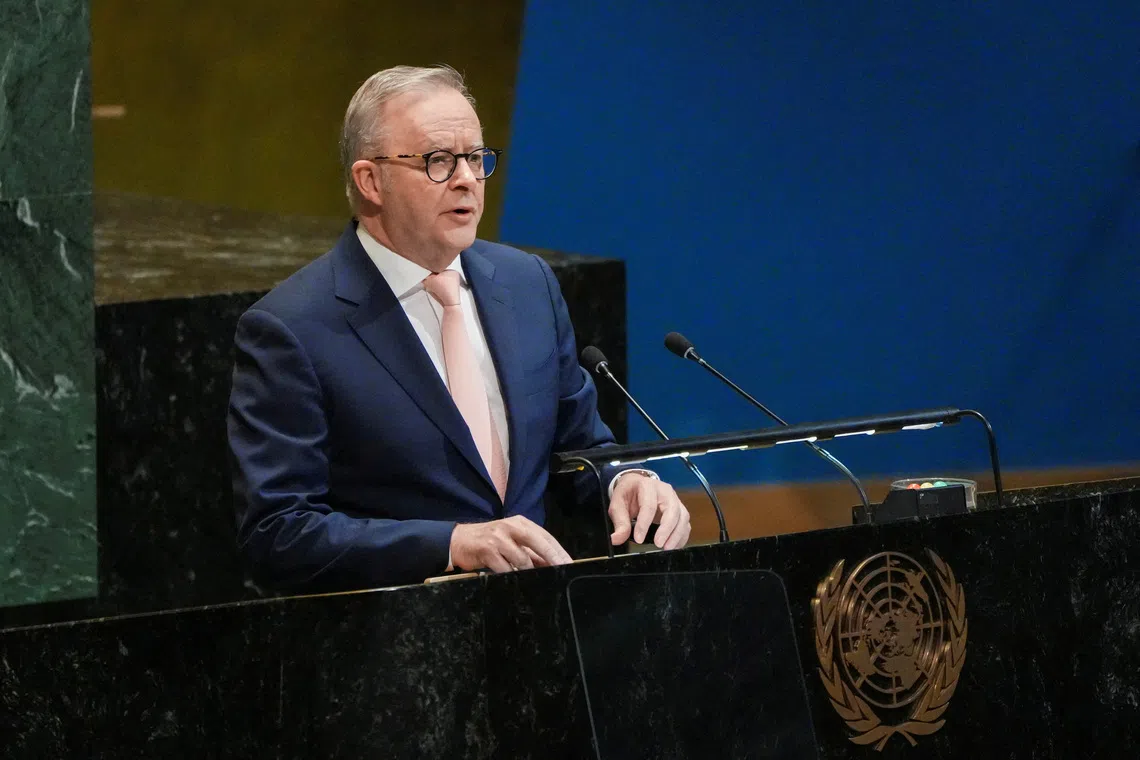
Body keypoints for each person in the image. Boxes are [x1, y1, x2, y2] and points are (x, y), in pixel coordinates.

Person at [227, 65, 690, 591]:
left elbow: (582, 446)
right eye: (439, 161)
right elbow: (277, 532)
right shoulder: (292, 328)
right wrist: (451, 544)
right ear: (370, 181)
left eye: (475, 157)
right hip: (396, 649)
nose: (467, 178)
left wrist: (624, 481)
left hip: (543, 631)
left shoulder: (527, 285)